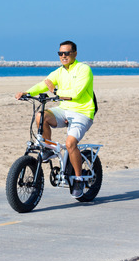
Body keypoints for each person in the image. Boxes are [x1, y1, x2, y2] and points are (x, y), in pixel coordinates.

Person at [15, 40, 95, 198]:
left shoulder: (83, 69)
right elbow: (44, 84)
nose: (63, 56)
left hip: (82, 112)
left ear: (75, 54)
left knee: (70, 144)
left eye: (67, 53)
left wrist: (56, 91)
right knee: (41, 116)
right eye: (60, 53)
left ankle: (78, 179)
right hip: (64, 110)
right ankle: (48, 149)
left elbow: (76, 93)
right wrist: (27, 93)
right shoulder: (59, 72)